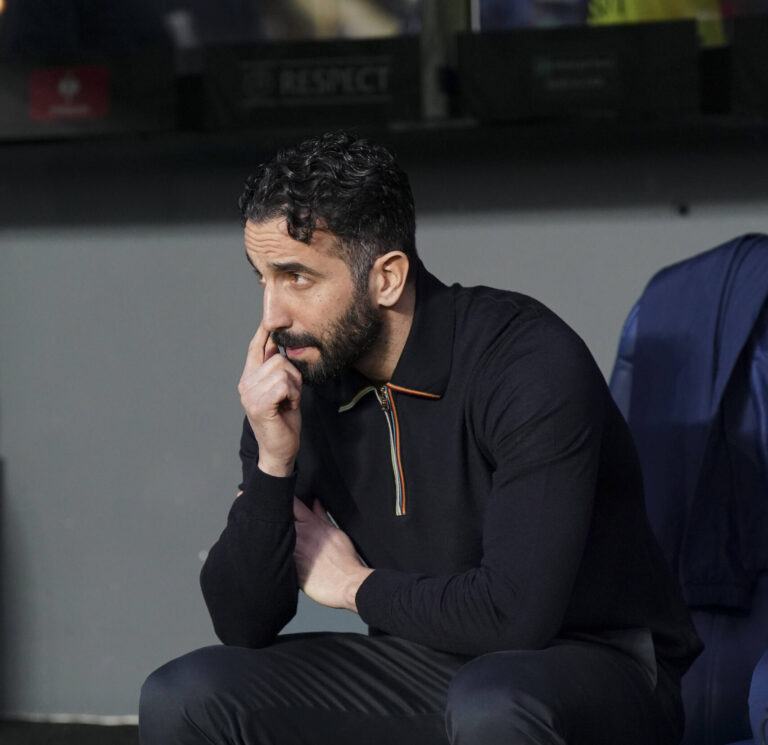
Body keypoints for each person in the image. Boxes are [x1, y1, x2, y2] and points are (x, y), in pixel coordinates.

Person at [139, 131, 702, 745]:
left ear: (387, 277)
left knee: (493, 703)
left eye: (297, 277)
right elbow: (242, 621)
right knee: (186, 696)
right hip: (426, 664)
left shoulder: (526, 360)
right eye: (262, 278)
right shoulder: (303, 379)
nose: (272, 314)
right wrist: (274, 461)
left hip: (597, 664)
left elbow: (515, 615)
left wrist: (354, 586)